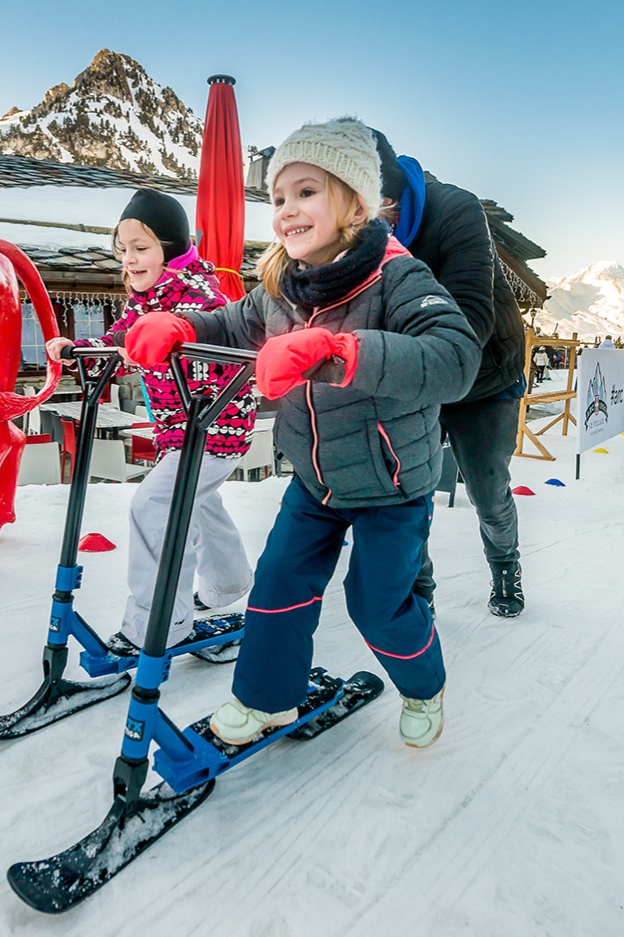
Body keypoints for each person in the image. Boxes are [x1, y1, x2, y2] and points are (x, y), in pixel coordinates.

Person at [123, 117, 479, 749]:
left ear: (356, 201)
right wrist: (181, 324)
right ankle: (266, 700)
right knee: (279, 584)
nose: (288, 210)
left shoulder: (400, 277)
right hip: (314, 479)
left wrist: (339, 351)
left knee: (376, 605)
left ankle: (425, 685)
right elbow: (232, 323)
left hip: (391, 484)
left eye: (307, 191)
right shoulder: (282, 284)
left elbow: (453, 358)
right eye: (279, 198)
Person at [46, 188, 257, 656]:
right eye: (123, 250)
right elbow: (126, 332)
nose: (130, 260)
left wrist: (160, 339)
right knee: (196, 504)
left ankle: (163, 620)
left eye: (141, 248)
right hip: (178, 432)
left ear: (173, 248)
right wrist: (85, 346)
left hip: (213, 429)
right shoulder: (144, 296)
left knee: (154, 508)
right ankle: (228, 582)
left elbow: (200, 327)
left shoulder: (197, 293)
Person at [374, 131, 529, 618]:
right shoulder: (351, 230)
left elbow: (471, 316)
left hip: (484, 373)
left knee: (487, 486)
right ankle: (418, 591)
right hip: (412, 378)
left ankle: (505, 564)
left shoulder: (455, 209)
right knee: (410, 490)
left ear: (394, 191)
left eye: (376, 209)